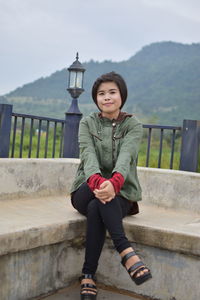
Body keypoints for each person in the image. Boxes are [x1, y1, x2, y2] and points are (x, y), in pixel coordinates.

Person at [70, 71, 152, 300]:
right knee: (96, 199)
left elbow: (126, 156)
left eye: (112, 92)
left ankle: (88, 275)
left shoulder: (133, 125)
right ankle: (125, 250)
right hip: (86, 188)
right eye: (101, 93)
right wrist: (99, 182)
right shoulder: (87, 123)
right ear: (96, 99)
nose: (107, 97)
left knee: (98, 208)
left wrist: (114, 184)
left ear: (121, 96)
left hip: (122, 191)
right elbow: (88, 155)